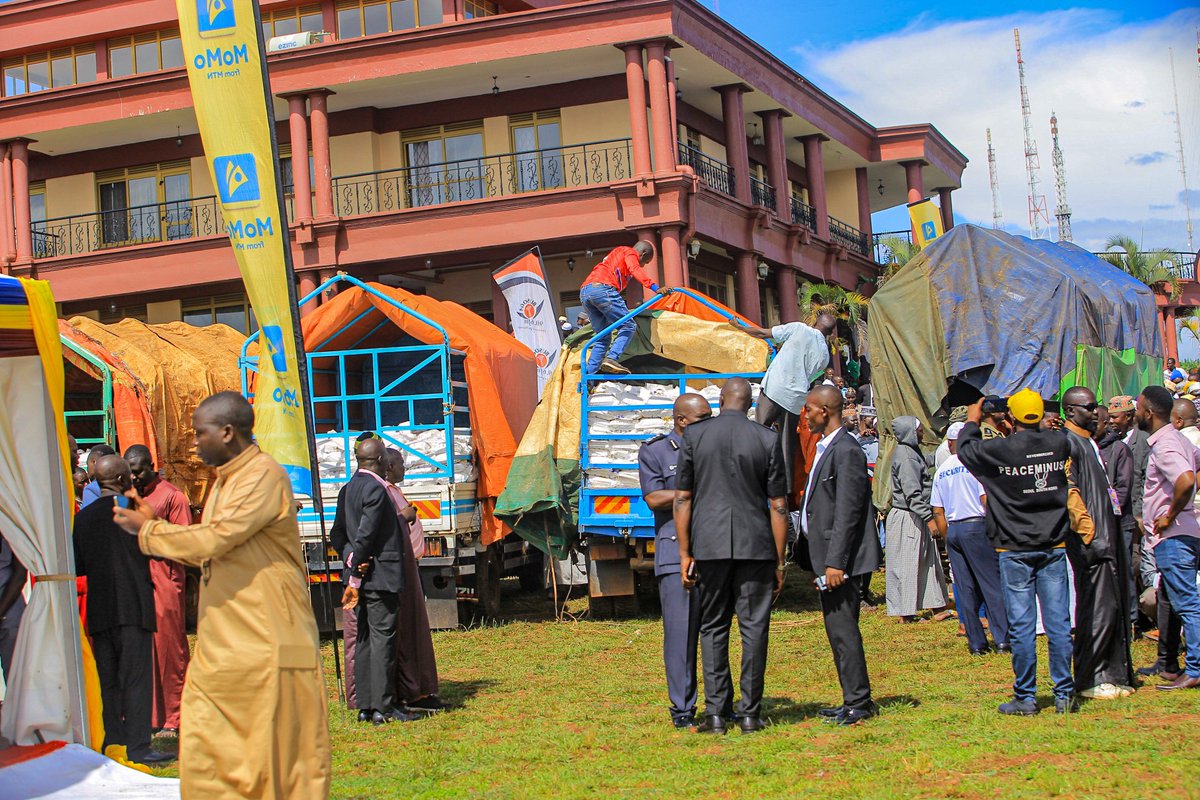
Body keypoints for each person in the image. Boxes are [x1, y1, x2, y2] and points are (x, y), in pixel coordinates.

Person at [113, 392, 330, 797]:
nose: (194, 443)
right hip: (230, 641)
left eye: (200, 434)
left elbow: (217, 539)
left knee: (274, 759)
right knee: (212, 746)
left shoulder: (263, 475)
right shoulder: (227, 480)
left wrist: (149, 530)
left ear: (227, 432)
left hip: (268, 641)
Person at [674, 378, 788, 735]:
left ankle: (716, 715)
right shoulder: (767, 439)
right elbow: (779, 505)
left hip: (709, 545)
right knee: (754, 629)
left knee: (713, 627)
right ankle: (751, 713)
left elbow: (682, 498)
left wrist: (683, 552)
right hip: (756, 546)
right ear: (750, 403)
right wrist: (781, 559)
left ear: (721, 400)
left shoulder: (694, 437)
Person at [958, 390, 1075, 715]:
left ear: (1009, 418)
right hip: (1053, 545)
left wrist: (973, 419)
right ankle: (1064, 694)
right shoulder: (1058, 443)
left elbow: (966, 451)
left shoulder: (999, 450)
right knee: (1058, 623)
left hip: (1014, 548)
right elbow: (1064, 436)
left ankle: (1026, 697)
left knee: (1022, 626)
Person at [73, 455, 166, 766]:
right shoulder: (134, 512)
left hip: (101, 609)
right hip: (134, 606)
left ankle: (113, 741)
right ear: (125, 480)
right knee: (137, 680)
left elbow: (80, 565)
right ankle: (140, 746)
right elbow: (157, 546)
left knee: (108, 680)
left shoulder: (83, 519)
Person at [800, 386, 883, 725]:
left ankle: (858, 703)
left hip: (840, 560)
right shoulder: (826, 447)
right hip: (826, 555)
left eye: (809, 409)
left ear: (824, 410)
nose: (805, 416)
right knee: (838, 629)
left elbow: (848, 511)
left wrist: (836, 563)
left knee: (843, 629)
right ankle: (852, 697)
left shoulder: (846, 450)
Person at [639, 393, 711, 729]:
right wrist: (693, 492)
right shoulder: (655, 451)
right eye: (702, 418)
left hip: (713, 549)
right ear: (681, 420)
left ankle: (718, 703)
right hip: (674, 554)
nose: (709, 424)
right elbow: (654, 498)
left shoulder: (713, 448)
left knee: (714, 632)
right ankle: (683, 708)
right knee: (681, 635)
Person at [332, 437, 415, 726]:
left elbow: (338, 534)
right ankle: (384, 706)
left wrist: (349, 558)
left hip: (359, 575)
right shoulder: (377, 490)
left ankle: (366, 705)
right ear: (381, 461)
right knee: (383, 639)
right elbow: (366, 534)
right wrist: (358, 563)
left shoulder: (348, 489)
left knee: (364, 639)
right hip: (379, 575)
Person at [1060, 387, 1136, 699]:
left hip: (1108, 534)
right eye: (1088, 407)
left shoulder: (1089, 441)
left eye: (1095, 407)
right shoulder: (1068, 444)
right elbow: (1069, 492)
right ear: (1070, 411)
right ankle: (1093, 677)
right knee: (1096, 607)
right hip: (1092, 539)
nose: (1096, 413)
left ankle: (1115, 674)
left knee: (1112, 603)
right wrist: (1090, 535)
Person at [123, 444, 192, 737]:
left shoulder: (172, 497)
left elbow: (185, 543)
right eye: (130, 472)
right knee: (142, 649)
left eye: (138, 470)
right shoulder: (128, 498)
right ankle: (149, 715)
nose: (134, 477)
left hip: (164, 580)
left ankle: (174, 717)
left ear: (153, 465)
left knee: (168, 649)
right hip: (135, 582)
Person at [1137, 385, 1200, 691]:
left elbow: (1187, 479)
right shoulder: (1177, 440)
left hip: (1174, 536)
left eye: (1137, 407)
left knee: (1187, 603)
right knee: (1171, 600)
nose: (1136, 412)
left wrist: (1171, 513)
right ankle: (1169, 665)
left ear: (1148, 412)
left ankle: (1197, 667)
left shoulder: (1165, 446)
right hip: (1183, 533)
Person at [930, 423, 1009, 656]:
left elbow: (937, 511)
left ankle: (976, 643)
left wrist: (949, 538)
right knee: (991, 584)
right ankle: (1003, 638)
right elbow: (985, 499)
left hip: (953, 529)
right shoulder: (976, 465)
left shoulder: (942, 469)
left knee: (964, 588)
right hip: (977, 526)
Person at [744, 314, 837, 495]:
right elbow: (812, 378)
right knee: (786, 445)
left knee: (758, 434)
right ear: (830, 333)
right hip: (795, 399)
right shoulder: (825, 356)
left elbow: (763, 333)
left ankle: (752, 481)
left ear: (815, 322)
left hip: (774, 389)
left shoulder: (799, 328)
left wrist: (739, 328)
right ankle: (784, 492)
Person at [384, 448, 443, 714]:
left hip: (409, 564)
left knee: (417, 632)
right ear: (388, 466)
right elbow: (383, 528)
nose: (404, 467)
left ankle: (421, 689)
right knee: (407, 632)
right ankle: (409, 692)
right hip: (398, 568)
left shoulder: (393, 489)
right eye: (400, 463)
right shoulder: (382, 490)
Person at [885, 417, 948, 621]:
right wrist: (929, 519)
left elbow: (925, 462)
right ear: (910, 433)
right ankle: (906, 612)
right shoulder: (906, 458)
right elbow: (912, 493)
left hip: (915, 515)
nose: (922, 434)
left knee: (928, 561)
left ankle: (937, 606)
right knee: (908, 564)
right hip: (909, 517)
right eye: (919, 430)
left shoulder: (912, 453)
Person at [579, 241, 661, 375]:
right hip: (603, 289)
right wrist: (654, 287)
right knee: (628, 325)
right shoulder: (628, 252)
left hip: (586, 292)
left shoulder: (615, 256)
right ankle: (612, 358)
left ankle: (588, 380)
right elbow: (635, 269)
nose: (643, 265)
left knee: (603, 338)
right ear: (642, 254)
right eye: (645, 262)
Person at [1107, 396, 1151, 599]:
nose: (1112, 421)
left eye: (1116, 417)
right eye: (1110, 417)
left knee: (1136, 561)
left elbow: (1144, 478)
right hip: (1121, 513)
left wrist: (1140, 514)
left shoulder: (1143, 439)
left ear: (1130, 415)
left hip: (1137, 513)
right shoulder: (1113, 439)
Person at [0, 535, 27, 684]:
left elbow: (20, 575)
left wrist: (2, 610)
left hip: (10, 610)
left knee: (16, 680)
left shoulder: (9, 525)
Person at [81, 443, 117, 508]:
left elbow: (88, 515)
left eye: (87, 464)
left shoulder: (91, 489)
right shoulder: (125, 484)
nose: (87, 469)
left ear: (94, 462)